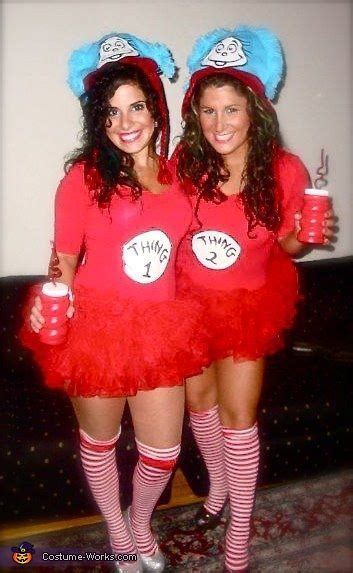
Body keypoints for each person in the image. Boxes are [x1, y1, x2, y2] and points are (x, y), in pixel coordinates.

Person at [21, 32, 207, 573]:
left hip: (159, 326)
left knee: (162, 451)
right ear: (96, 120)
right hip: (95, 327)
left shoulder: (182, 177)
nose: (125, 123)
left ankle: (140, 520)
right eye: (110, 112)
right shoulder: (82, 177)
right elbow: (64, 260)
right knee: (99, 442)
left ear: (156, 109)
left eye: (136, 107)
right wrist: (51, 298)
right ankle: (119, 533)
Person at [175, 25, 336, 572]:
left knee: (238, 416)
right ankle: (216, 493)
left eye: (232, 110)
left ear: (255, 113)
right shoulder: (185, 163)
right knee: (200, 406)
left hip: (248, 304)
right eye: (209, 110)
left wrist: (309, 235)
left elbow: (288, 245)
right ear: (196, 114)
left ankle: (238, 534)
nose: (219, 123)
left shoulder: (285, 169)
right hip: (189, 303)